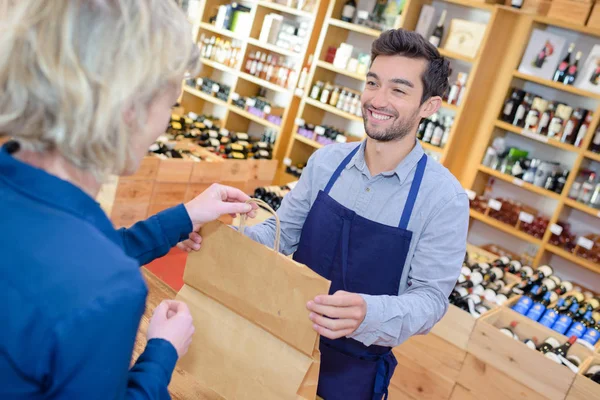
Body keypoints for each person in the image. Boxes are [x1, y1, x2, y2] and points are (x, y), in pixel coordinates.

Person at [183, 29, 470, 399]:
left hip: (352, 373)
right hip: (277, 342)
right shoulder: (326, 162)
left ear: (429, 106)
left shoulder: (443, 199)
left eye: (398, 90)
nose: (377, 100)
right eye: (372, 82)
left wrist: (370, 313)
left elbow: (431, 299)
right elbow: (280, 234)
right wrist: (222, 237)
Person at [0, 1, 256, 399]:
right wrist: (162, 353)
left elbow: (65, 257)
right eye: (170, 106)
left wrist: (184, 216)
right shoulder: (107, 290)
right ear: (129, 109)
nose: (165, 125)